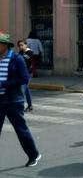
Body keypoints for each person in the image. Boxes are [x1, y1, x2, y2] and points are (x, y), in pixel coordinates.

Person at [0, 31, 41, 167]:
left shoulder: (17, 59)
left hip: (13, 100)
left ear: (4, 45)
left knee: (20, 130)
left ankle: (33, 155)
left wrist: (4, 84)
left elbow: (24, 79)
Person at [15, 40, 34, 111]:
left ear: (26, 45)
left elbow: (23, 59)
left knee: (22, 89)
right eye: (19, 45)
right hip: (22, 73)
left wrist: (17, 56)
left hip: (28, 73)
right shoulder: (21, 52)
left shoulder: (30, 52)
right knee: (26, 90)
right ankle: (30, 105)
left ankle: (20, 106)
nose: (20, 47)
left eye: (22, 45)